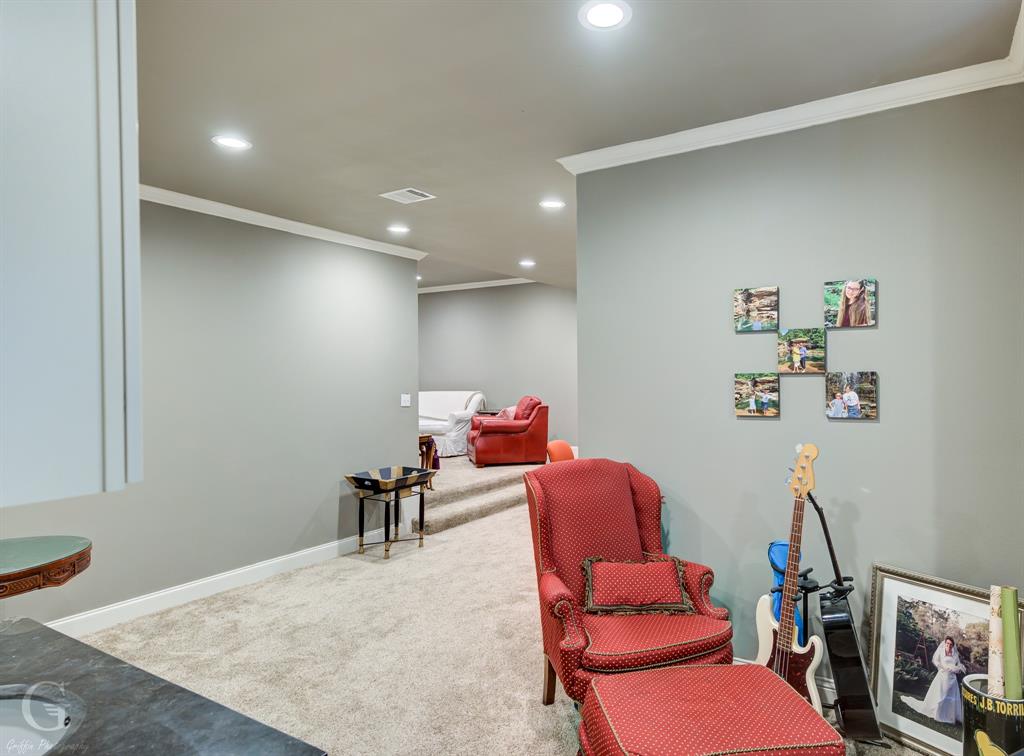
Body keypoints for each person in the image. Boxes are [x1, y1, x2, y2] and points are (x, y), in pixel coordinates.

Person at [900, 636, 966, 724]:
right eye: (947, 643)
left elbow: (958, 664)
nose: (949, 645)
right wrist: (942, 667)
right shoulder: (941, 651)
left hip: (952, 678)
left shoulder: (954, 654)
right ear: (945, 643)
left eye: (950, 644)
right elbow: (935, 660)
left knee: (949, 696)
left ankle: (949, 715)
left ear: (952, 645)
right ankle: (938, 713)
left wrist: (957, 669)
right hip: (943, 675)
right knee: (941, 694)